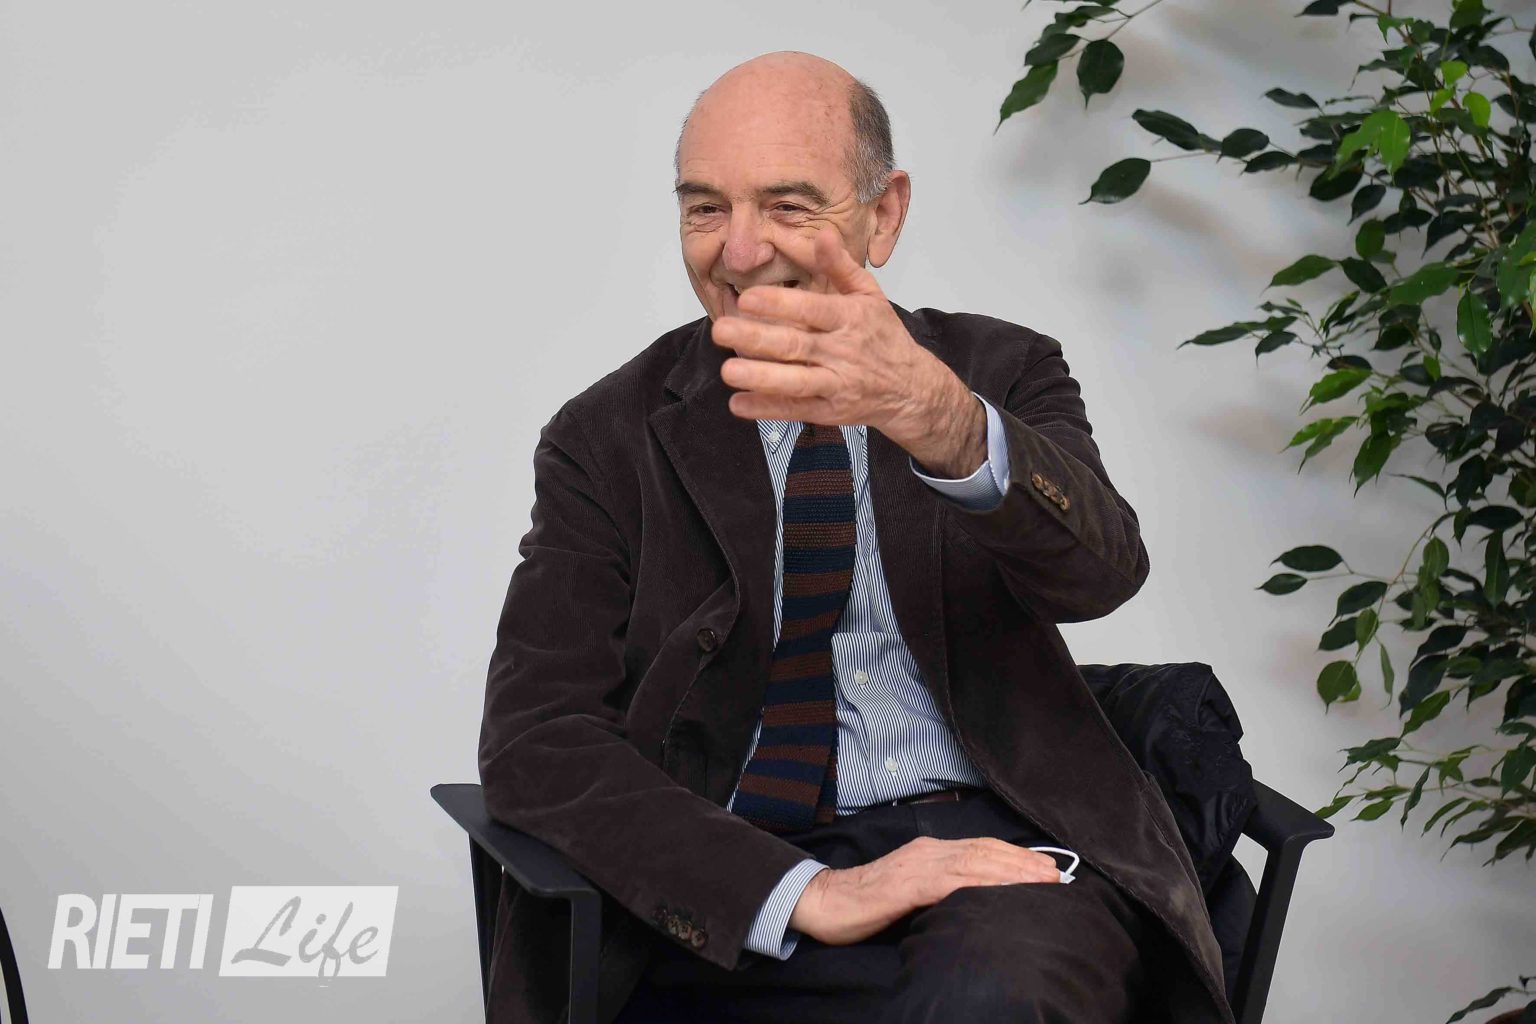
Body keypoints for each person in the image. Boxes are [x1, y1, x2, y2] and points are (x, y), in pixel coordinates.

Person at [478, 49, 1233, 1024]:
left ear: (884, 214)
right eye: (705, 207)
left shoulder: (1000, 369)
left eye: (788, 205)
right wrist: (803, 891)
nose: (739, 251)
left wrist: (946, 424)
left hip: (985, 849)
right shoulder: (603, 437)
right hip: (732, 864)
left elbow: (1102, 573)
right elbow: (536, 738)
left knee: (997, 999)